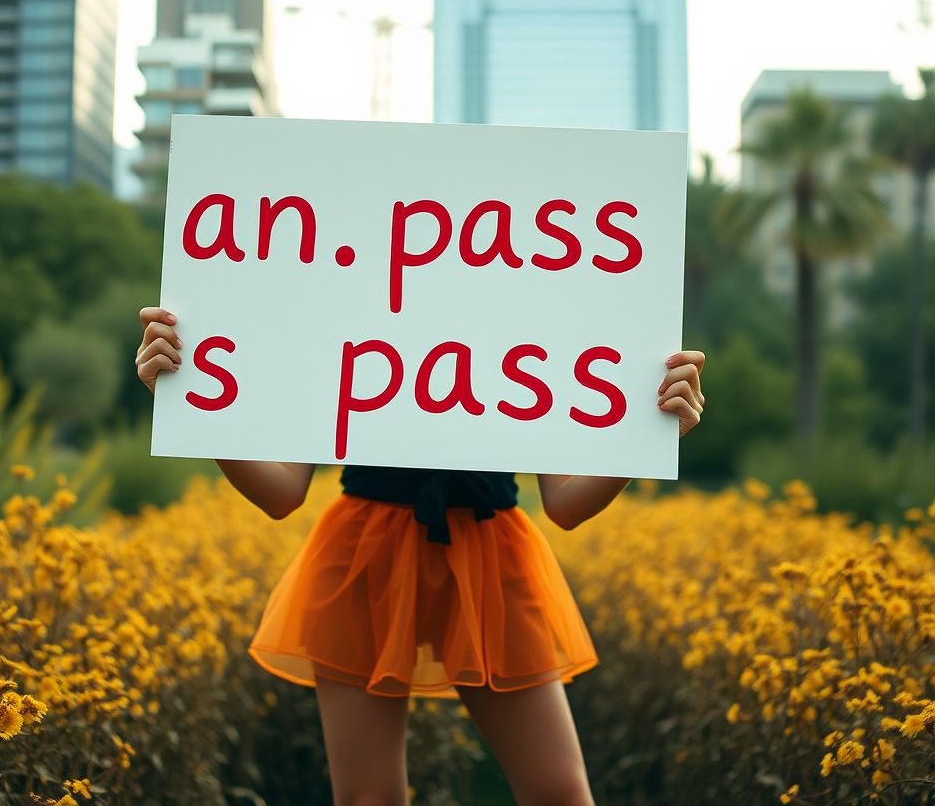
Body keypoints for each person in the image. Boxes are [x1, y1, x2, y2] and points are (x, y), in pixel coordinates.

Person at [136, 306, 704, 806]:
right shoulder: (339, 296)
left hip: (491, 555)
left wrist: (648, 436)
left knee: (560, 794)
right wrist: (192, 404)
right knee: (369, 800)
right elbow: (281, 493)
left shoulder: (528, 297)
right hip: (365, 554)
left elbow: (566, 503)